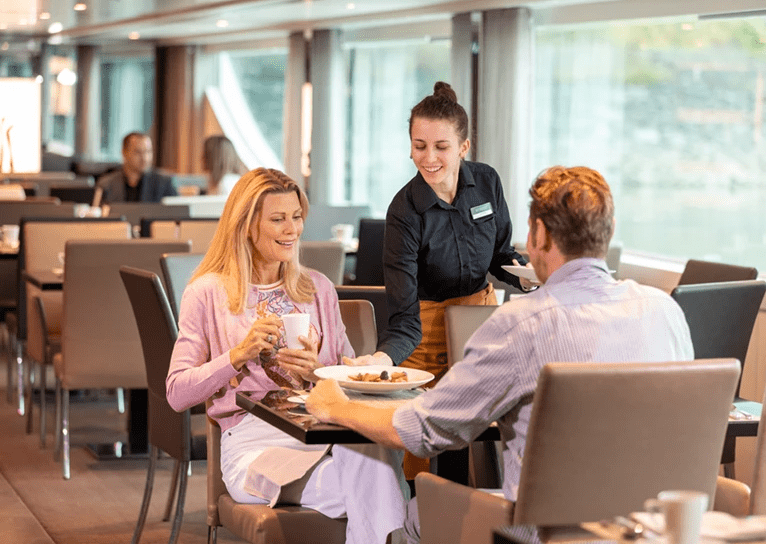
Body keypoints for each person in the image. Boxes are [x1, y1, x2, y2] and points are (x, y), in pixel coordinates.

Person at [306, 165, 694, 543]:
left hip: (539, 532)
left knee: (408, 517)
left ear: (539, 233)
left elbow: (423, 431)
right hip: (657, 529)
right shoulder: (665, 312)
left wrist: (336, 406)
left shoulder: (523, 323)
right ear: (607, 233)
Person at [165, 168, 408, 544]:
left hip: (323, 432)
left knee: (373, 461)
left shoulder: (318, 288)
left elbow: (351, 380)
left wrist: (320, 372)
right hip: (252, 445)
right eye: (277, 219)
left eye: (296, 217)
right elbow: (177, 393)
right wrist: (236, 356)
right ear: (247, 225)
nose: (292, 229)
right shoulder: (208, 292)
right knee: (383, 484)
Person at [349, 82, 534, 385]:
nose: (429, 158)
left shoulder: (487, 181)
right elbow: (404, 317)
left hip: (482, 327)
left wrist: (528, 278)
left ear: (464, 147)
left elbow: (500, 256)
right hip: (425, 337)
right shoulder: (403, 211)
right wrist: (382, 358)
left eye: (441, 147)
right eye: (419, 146)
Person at [94, 132, 177, 204]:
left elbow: (177, 214)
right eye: (138, 152)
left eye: (148, 152)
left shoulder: (164, 183)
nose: (145, 158)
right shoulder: (106, 184)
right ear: (124, 153)